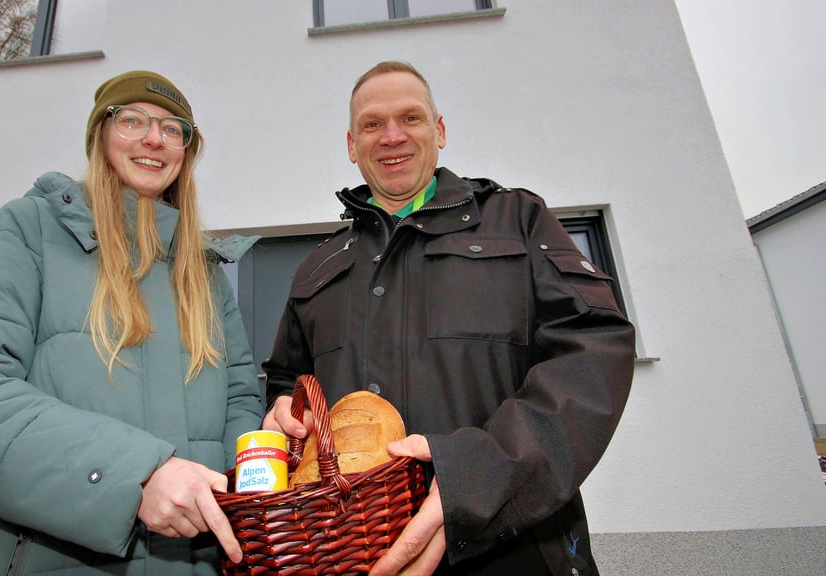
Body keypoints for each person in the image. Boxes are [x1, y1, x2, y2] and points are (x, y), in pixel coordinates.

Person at [262, 61, 636, 575]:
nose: (392, 136)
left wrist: (478, 476)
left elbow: (593, 349)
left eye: (410, 118)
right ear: (352, 145)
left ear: (438, 131)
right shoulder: (317, 266)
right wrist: (286, 412)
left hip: (515, 553)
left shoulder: (518, 221)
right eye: (372, 124)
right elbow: (286, 380)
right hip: (354, 554)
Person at [0, 70, 263, 575]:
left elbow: (240, 403)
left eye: (174, 128)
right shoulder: (28, 230)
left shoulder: (205, 273)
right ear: (100, 134)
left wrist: (263, 463)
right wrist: (134, 476)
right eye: (133, 120)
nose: (155, 138)